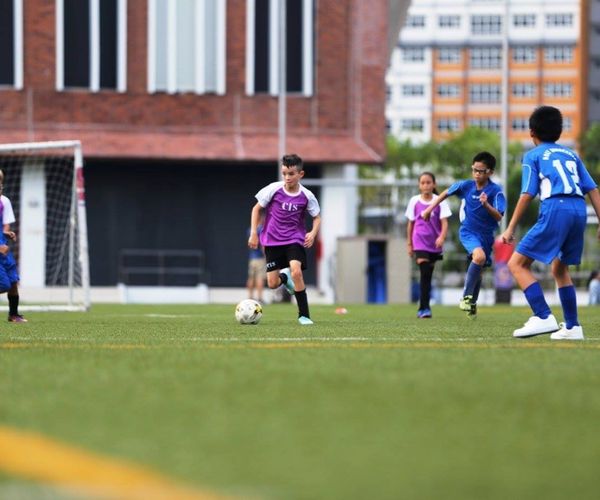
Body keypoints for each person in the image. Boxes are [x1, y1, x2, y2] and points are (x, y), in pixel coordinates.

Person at [501, 105, 600, 340]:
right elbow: (593, 189)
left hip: (556, 208)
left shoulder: (533, 155)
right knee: (559, 268)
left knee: (517, 264)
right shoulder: (571, 154)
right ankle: (573, 327)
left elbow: (527, 193)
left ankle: (543, 316)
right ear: (559, 131)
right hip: (579, 210)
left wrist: (510, 227)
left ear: (531, 132)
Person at [422, 152, 505, 319]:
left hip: (486, 236)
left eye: (481, 171)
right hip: (468, 232)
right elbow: (446, 192)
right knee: (479, 257)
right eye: (474, 170)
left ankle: (472, 303)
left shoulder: (496, 191)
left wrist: (486, 205)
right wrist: (430, 208)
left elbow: (499, 216)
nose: (476, 174)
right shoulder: (466, 186)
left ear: (490, 172)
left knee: (479, 270)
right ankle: (466, 297)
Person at [248, 154, 321, 325]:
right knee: (273, 284)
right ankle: (284, 278)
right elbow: (256, 209)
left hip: (294, 240)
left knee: (296, 271)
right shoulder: (273, 189)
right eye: (284, 173)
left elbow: (317, 217)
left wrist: (312, 233)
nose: (287, 177)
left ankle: (304, 315)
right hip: (272, 241)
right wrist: (254, 233)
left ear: (300, 174)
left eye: (291, 174)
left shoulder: (307, 195)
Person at [405, 172, 451, 318]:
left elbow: (444, 222)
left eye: (428, 182)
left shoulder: (440, 201)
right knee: (424, 272)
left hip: (434, 243)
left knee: (428, 275)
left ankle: (425, 306)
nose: (425, 185)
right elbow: (411, 223)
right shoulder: (414, 201)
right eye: (423, 183)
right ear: (419, 185)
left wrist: (442, 237)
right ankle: (423, 308)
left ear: (434, 184)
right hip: (419, 241)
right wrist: (409, 244)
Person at [0, 170, 27, 322]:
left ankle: (13, 314)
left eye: (0, 184)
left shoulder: (4, 202)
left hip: (3, 249)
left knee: (12, 282)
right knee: (3, 285)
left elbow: (5, 226)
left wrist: (6, 234)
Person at [246, 221, 266, 302]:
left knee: (251, 278)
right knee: (260, 278)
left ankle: (250, 297)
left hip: (252, 258)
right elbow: (263, 244)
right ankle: (260, 298)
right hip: (260, 258)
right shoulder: (261, 229)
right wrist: (266, 256)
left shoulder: (250, 230)